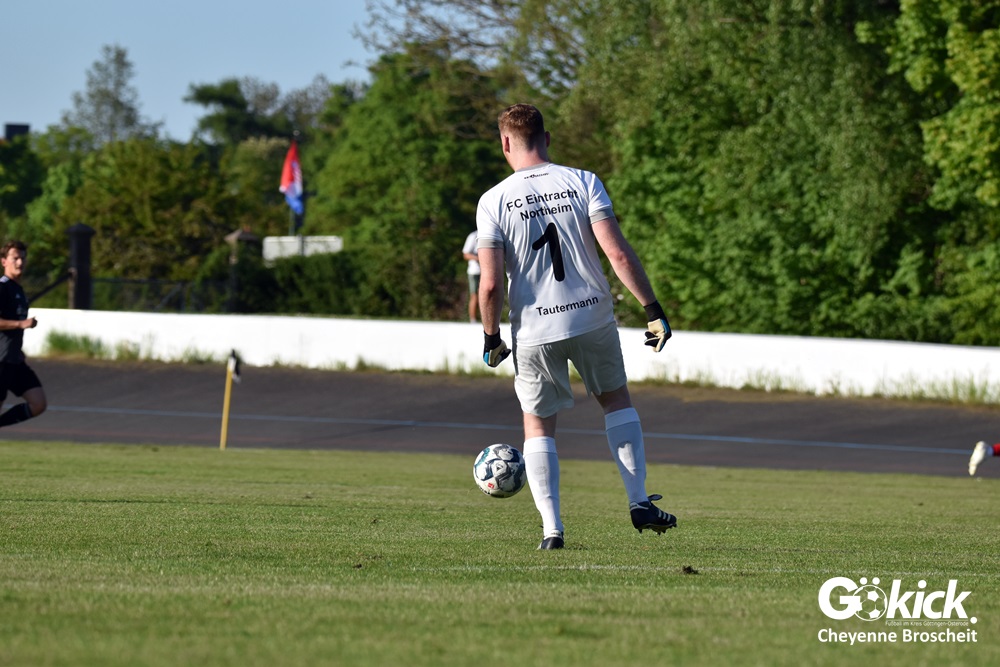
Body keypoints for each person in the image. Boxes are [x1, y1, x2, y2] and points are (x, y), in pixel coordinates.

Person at [476, 103, 676, 550]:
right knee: (616, 402)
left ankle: (552, 530)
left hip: (534, 329)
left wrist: (491, 336)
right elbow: (617, 253)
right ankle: (638, 500)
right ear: (546, 138)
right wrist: (652, 308)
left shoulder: (493, 200)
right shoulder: (583, 181)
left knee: (538, 425)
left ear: (505, 143)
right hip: (590, 315)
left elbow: (490, 284)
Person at [0, 240, 47, 429]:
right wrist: (21, 324)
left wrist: (17, 350)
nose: (20, 262)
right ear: (4, 261)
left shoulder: (18, 289)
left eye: (23, 258)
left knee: (38, 403)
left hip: (14, 360)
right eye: (15, 258)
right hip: (1, 360)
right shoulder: (2, 287)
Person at [462, 230, 480, 322]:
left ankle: (486, 319)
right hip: (474, 271)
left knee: (487, 296)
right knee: (474, 295)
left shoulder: (493, 232)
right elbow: (466, 254)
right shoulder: (473, 236)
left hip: (487, 271)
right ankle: (473, 319)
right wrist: (479, 258)